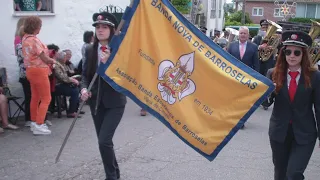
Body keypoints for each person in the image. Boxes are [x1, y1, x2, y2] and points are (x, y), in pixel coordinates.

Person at [263, 30, 320, 180]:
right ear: (283, 53)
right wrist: (271, 92)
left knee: (293, 174)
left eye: (297, 52)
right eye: (288, 52)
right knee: (280, 173)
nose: (292, 56)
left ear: (303, 55)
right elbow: (265, 103)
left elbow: (319, 108)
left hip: (305, 133)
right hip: (279, 132)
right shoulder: (272, 73)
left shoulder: (314, 76)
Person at [80, 12, 126, 180]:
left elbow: (125, 77)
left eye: (104, 27)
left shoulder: (119, 50)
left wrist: (110, 65)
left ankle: (111, 177)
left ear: (112, 29)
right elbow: (84, 74)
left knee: (104, 141)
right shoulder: (90, 50)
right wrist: (84, 90)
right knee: (104, 142)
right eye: (98, 27)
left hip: (115, 103)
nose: (100, 30)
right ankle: (114, 173)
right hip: (95, 103)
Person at [22, 16, 59, 135]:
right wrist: (53, 61)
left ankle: (34, 121)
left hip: (30, 70)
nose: (40, 29)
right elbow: (44, 57)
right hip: (39, 71)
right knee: (46, 98)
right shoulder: (34, 40)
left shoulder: (25, 38)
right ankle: (39, 124)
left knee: (35, 97)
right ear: (35, 27)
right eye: (40, 26)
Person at [227, 26, 259, 129]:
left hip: (247, 79)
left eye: (245, 33)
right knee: (233, 99)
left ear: (248, 35)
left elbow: (256, 64)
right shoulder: (231, 46)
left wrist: (256, 78)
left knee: (243, 101)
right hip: (233, 78)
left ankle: (241, 121)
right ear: (238, 34)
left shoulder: (254, 47)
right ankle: (232, 119)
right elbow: (227, 62)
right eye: (241, 33)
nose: (243, 35)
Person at [54, 51, 81, 118]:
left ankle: (75, 109)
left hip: (63, 83)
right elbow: (61, 77)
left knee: (77, 86)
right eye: (65, 57)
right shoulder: (56, 65)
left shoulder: (63, 64)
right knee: (74, 91)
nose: (67, 58)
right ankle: (71, 112)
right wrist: (72, 80)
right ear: (62, 58)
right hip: (57, 86)